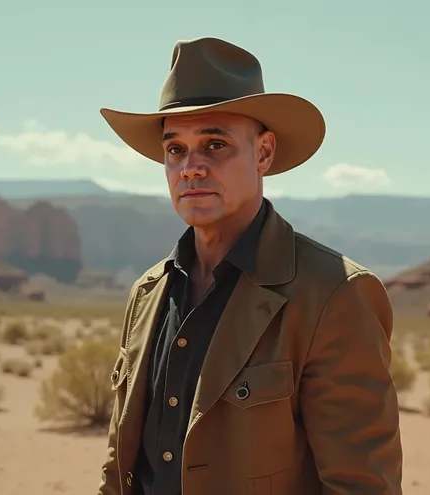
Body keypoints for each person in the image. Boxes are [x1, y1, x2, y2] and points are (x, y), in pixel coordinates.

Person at [96, 37, 402, 495]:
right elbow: (121, 470)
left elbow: (361, 486)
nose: (190, 168)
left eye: (214, 144)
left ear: (263, 153)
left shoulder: (333, 294)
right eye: (175, 149)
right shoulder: (147, 293)